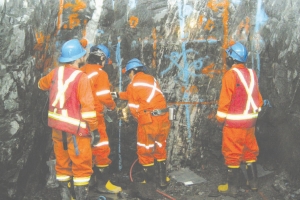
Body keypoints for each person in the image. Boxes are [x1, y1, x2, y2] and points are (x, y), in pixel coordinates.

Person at [38, 39, 99, 200]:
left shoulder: (55, 73)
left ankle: (66, 196)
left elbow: (41, 84)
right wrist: (94, 129)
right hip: (76, 131)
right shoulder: (82, 77)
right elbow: (88, 110)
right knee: (82, 167)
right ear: (78, 58)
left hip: (57, 128)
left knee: (62, 164)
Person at [113, 58, 171, 189]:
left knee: (145, 149)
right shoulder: (151, 79)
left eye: (128, 73)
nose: (129, 76)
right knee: (160, 147)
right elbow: (138, 95)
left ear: (133, 71)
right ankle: (162, 180)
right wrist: (118, 94)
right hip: (163, 118)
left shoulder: (133, 85)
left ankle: (148, 182)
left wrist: (137, 118)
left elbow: (134, 107)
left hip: (148, 120)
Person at [215, 42, 263, 197]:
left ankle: (232, 188)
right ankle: (253, 183)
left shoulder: (230, 75)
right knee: (250, 151)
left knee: (232, 153)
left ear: (232, 58)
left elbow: (225, 101)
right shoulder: (252, 73)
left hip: (234, 124)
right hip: (250, 122)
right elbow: (258, 99)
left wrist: (219, 119)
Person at [80, 44, 122, 193]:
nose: (105, 64)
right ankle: (104, 184)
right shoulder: (100, 73)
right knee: (101, 148)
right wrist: (112, 107)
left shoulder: (81, 71)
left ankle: (89, 182)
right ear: (102, 58)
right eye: (105, 61)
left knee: (87, 149)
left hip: (78, 119)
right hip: (95, 117)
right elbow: (104, 96)